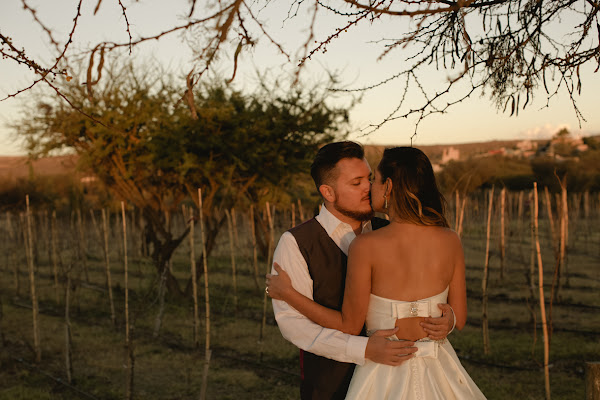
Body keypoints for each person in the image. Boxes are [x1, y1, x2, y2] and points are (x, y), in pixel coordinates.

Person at [268, 146, 486, 399]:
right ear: (328, 192)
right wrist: (363, 349)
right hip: (330, 385)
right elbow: (294, 326)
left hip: (384, 379)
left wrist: (447, 321)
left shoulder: (383, 231)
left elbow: (437, 305)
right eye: (356, 182)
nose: (368, 187)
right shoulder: (296, 242)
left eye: (370, 178)